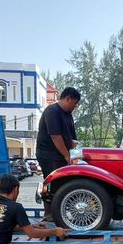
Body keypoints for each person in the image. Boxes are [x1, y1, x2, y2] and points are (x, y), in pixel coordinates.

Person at [36, 87, 81, 221]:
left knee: (65, 184)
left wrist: (76, 149)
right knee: (51, 184)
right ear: (68, 99)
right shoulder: (52, 111)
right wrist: (67, 155)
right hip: (49, 155)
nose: (75, 106)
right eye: (75, 103)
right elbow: (56, 137)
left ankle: (61, 211)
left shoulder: (68, 115)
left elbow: (71, 137)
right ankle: (49, 214)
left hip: (62, 154)